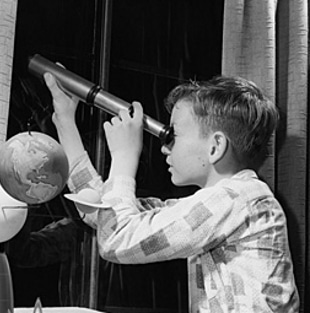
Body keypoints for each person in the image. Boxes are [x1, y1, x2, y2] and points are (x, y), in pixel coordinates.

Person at [44, 72, 299, 312]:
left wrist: (124, 157)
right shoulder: (221, 204)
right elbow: (107, 216)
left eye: (173, 135)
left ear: (215, 147)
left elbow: (118, 240)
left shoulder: (238, 199)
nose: (165, 148)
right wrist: (66, 122)